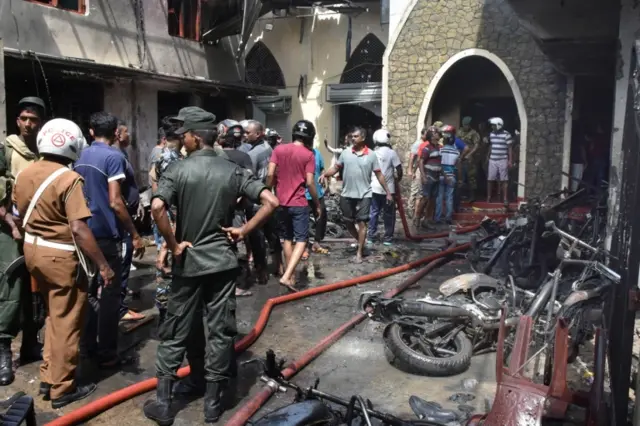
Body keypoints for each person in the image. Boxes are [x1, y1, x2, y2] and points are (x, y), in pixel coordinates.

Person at [143, 110, 279, 425]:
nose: (180, 139)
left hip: (188, 264)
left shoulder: (177, 170)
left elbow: (157, 206)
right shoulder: (232, 170)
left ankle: (164, 405)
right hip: (222, 263)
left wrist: (173, 244)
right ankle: (213, 406)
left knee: (177, 328)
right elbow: (271, 201)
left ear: (194, 135)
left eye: (183, 133)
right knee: (220, 331)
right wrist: (243, 231)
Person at [14, 118, 115, 407]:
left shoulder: (25, 173)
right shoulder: (68, 178)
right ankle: (62, 389)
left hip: (33, 252)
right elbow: (80, 228)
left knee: (53, 316)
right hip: (60, 257)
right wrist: (104, 266)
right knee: (68, 321)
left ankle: (49, 375)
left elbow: (19, 213)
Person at [74, 112, 145, 368]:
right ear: (115, 131)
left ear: (91, 131)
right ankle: (107, 353)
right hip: (105, 233)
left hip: (82, 232)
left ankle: (87, 346)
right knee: (111, 293)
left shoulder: (79, 156)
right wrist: (135, 234)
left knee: (89, 291)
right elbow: (116, 201)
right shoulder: (114, 157)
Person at [0, 96, 46, 386]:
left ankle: (31, 342)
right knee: (12, 289)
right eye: (24, 118)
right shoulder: (6, 149)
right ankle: (4, 349)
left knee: (37, 289)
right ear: (17, 120)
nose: (29, 124)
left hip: (39, 229)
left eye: (34, 119)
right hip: (11, 231)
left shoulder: (43, 151)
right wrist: (11, 224)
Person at [320, 127, 392, 263]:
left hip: (365, 194)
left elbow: (379, 174)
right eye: (352, 136)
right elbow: (336, 168)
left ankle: (359, 253)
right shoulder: (345, 153)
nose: (352, 139)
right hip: (347, 193)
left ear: (363, 138)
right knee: (348, 222)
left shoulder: (371, 155)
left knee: (362, 223)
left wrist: (388, 192)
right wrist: (325, 174)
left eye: (356, 136)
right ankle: (361, 243)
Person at [267, 120, 320, 291]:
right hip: (299, 203)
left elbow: (270, 174)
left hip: (280, 203)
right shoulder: (308, 155)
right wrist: (317, 203)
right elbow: (310, 182)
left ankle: (291, 278)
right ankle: (287, 275)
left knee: (287, 239)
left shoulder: (278, 149)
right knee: (302, 240)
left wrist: (268, 191)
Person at [114, 121, 145, 322]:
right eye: (126, 132)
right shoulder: (115, 157)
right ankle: (119, 308)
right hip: (121, 222)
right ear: (117, 133)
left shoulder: (123, 155)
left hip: (127, 216)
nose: (129, 136)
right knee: (122, 263)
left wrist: (138, 201)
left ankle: (118, 302)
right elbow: (116, 195)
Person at [245, 120, 283, 275]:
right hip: (270, 198)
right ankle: (279, 266)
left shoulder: (253, 154)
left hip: (256, 201)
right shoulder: (269, 149)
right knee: (272, 234)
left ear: (258, 133)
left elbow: (249, 178)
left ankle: (261, 271)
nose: (245, 135)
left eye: (248, 132)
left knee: (257, 236)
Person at [368, 129, 402, 245]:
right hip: (390, 190)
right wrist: (398, 179)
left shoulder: (373, 153)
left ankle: (371, 237)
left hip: (374, 188)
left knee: (374, 212)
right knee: (389, 214)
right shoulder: (392, 153)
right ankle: (388, 238)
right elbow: (399, 169)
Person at [303, 144, 329, 260]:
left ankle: (316, 242)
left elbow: (322, 169)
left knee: (321, 217)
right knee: (303, 221)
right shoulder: (299, 154)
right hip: (303, 194)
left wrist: (324, 177)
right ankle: (304, 246)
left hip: (317, 193)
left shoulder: (317, 153)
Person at [415, 126, 442, 228]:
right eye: (435, 133)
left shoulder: (440, 148)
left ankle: (427, 219)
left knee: (433, 199)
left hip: (437, 176)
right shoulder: (427, 148)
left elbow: (440, 163)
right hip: (429, 175)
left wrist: (444, 175)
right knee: (425, 197)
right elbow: (421, 161)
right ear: (431, 136)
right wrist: (423, 175)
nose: (437, 135)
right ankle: (417, 217)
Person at [436, 125, 461, 224]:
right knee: (449, 197)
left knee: (439, 197)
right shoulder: (457, 152)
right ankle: (448, 217)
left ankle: (437, 217)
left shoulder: (440, 150)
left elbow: (438, 163)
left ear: (445, 141)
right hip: (451, 177)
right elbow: (457, 167)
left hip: (441, 176)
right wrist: (460, 179)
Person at [486, 117, 513, 204]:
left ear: (499, 125)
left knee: (504, 180)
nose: (492, 127)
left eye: (494, 125)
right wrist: (488, 155)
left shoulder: (507, 134)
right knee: (490, 179)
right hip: (492, 160)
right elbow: (491, 145)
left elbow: (510, 148)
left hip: (503, 159)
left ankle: (505, 198)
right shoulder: (491, 134)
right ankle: (489, 197)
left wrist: (510, 160)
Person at [457, 117, 481, 201]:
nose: (466, 126)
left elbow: (476, 145)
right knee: (460, 177)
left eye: (467, 125)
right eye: (464, 125)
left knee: (471, 177)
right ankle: (460, 195)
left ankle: (472, 196)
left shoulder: (474, 133)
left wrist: (470, 154)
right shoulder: (459, 132)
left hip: (470, 158)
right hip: (460, 157)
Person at [407, 128, 429, 216]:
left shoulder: (426, 144)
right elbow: (412, 158)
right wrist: (410, 170)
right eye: (426, 135)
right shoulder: (418, 144)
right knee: (415, 190)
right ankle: (410, 209)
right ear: (422, 134)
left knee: (421, 191)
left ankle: (417, 211)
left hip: (422, 169)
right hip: (417, 170)